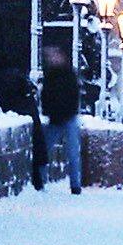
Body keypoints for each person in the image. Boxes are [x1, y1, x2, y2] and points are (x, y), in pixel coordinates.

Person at [0, 66, 46, 191]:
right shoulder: (17, 77)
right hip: (28, 112)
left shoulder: (2, 77)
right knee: (37, 147)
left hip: (19, 110)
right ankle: (38, 180)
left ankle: (36, 180)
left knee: (35, 147)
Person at [40, 44, 84, 197]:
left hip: (66, 117)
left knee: (72, 153)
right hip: (57, 118)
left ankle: (75, 185)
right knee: (45, 150)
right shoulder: (53, 75)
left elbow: (72, 95)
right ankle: (40, 180)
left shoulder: (66, 75)